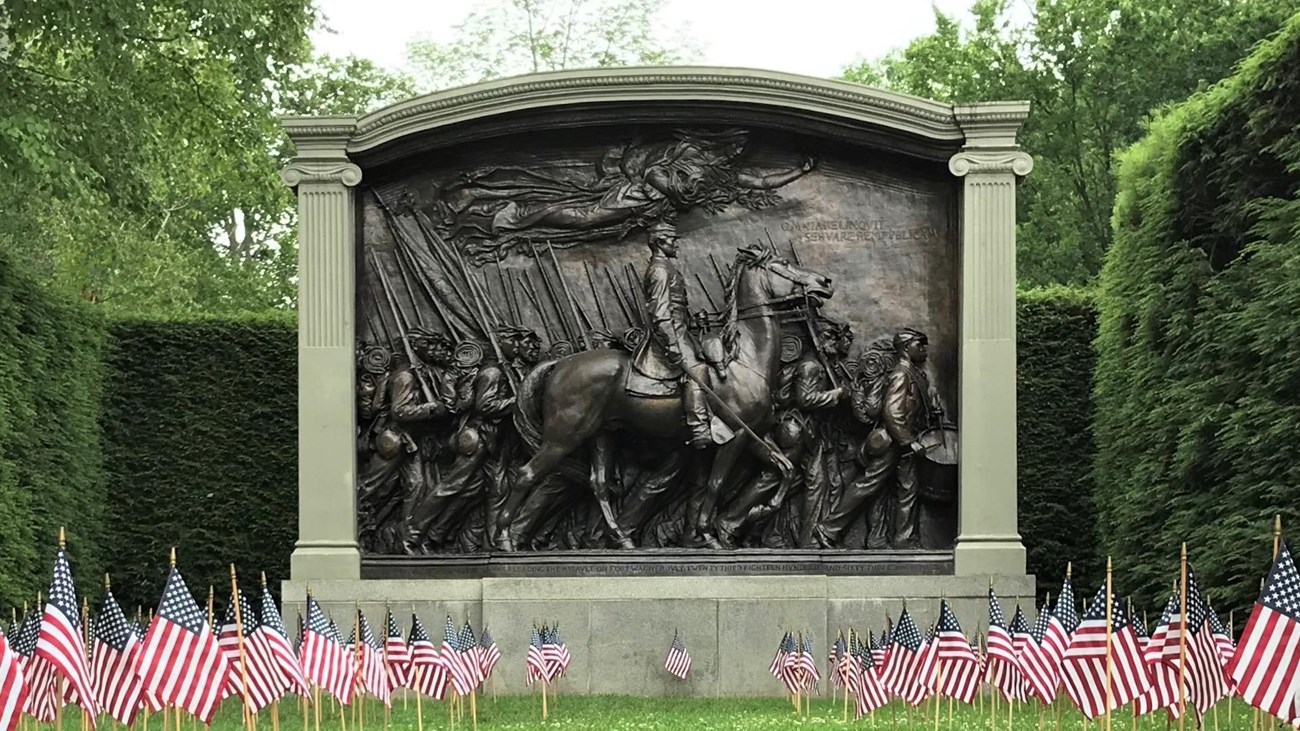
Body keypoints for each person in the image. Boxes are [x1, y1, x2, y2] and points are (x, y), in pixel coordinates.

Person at [820, 328, 941, 548]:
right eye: (919, 344)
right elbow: (892, 412)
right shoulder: (901, 374)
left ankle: (904, 540)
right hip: (894, 443)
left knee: (907, 490)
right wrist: (907, 441)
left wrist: (932, 404)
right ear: (906, 348)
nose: (924, 349)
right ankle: (827, 529)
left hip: (904, 443)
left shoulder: (914, 374)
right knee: (867, 484)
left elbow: (912, 407)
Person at [630, 219, 726, 449]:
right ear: (660, 242)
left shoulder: (668, 268)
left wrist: (693, 320)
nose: (676, 244)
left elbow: (675, 308)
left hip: (681, 329)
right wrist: (673, 345)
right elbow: (661, 314)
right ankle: (699, 428)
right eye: (672, 240)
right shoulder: (660, 271)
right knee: (697, 368)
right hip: (669, 335)